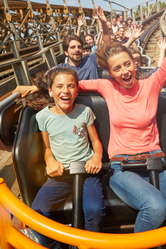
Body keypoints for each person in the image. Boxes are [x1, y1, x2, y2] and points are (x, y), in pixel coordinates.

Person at [79, 0, 166, 244]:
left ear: (135, 63)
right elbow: (72, 85)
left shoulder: (151, 84)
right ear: (110, 73)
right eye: (117, 68)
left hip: (156, 161)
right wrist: (39, 88)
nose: (124, 71)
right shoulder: (107, 87)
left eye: (127, 65)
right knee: (155, 207)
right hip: (122, 168)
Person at [28, 67, 105, 249]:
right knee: (37, 214)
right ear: (50, 91)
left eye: (71, 86)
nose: (65, 91)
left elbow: (96, 141)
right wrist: (50, 161)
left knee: (94, 210)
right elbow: (47, 147)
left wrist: (97, 157)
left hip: (87, 171)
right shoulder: (43, 117)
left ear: (77, 91)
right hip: (62, 174)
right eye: (59, 86)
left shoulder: (84, 112)